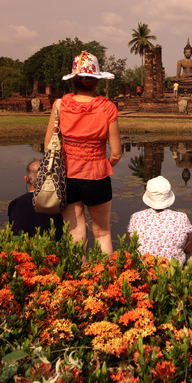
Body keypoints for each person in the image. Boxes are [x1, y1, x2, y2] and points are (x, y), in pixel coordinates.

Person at [44, 51, 122, 255]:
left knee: (75, 233)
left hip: (67, 176)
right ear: (96, 81)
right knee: (103, 232)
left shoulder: (60, 105)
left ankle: (78, 281)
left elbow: (48, 147)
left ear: (74, 81)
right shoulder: (107, 108)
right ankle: (107, 279)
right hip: (98, 175)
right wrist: (103, 163)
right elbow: (116, 153)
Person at [127, 176, 192, 265]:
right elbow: (188, 249)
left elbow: (133, 246)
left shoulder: (135, 218)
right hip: (173, 269)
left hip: (144, 269)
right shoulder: (182, 217)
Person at [8, 158, 64, 239]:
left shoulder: (14, 204)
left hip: (20, 249)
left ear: (26, 179)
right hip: (51, 248)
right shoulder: (58, 202)